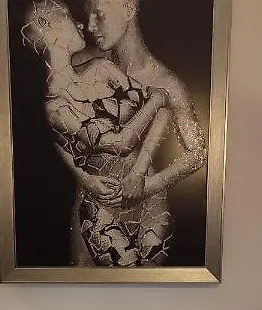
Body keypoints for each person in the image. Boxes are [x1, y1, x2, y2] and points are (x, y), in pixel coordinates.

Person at [22, 0, 173, 266]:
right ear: (48, 27)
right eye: (68, 17)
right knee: (128, 280)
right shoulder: (55, 108)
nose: (81, 24)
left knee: (157, 282)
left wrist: (139, 172)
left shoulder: (102, 68)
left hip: (149, 197)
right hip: (103, 211)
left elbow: (165, 112)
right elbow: (121, 143)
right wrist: (157, 99)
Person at [84, 0, 208, 213]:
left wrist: (147, 185)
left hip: (143, 216)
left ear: (129, 9)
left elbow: (198, 153)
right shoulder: (88, 64)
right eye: (88, 15)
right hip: (89, 208)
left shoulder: (167, 84)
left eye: (99, 14)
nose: (90, 26)